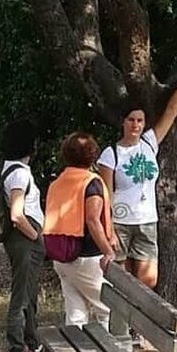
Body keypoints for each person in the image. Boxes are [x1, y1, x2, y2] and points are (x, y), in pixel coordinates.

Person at [98, 59, 177, 289]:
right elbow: (106, 195)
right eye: (131, 120)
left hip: (146, 221)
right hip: (120, 223)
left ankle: (139, 325)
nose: (136, 125)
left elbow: (172, 112)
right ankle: (121, 325)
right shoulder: (111, 154)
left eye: (140, 120)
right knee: (121, 282)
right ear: (123, 122)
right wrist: (108, 230)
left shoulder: (149, 142)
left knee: (148, 281)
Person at [44, 131, 116, 326]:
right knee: (109, 310)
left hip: (61, 255)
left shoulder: (57, 183)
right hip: (87, 257)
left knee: (75, 312)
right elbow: (93, 220)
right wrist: (108, 250)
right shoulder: (90, 182)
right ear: (93, 155)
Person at [0, 118, 45, 352]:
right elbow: (17, 214)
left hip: (21, 240)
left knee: (29, 294)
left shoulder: (8, 168)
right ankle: (17, 350)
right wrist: (35, 236)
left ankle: (31, 343)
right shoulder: (19, 173)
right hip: (24, 239)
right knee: (21, 296)